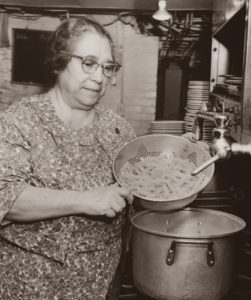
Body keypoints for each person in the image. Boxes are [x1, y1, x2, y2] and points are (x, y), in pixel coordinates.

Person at [0, 16, 135, 300]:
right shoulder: (22, 120)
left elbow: (139, 194)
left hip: (99, 283)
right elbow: (5, 196)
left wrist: (174, 165)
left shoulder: (119, 130)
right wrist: (86, 199)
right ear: (59, 61)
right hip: (28, 282)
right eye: (89, 63)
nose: (99, 77)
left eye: (108, 67)